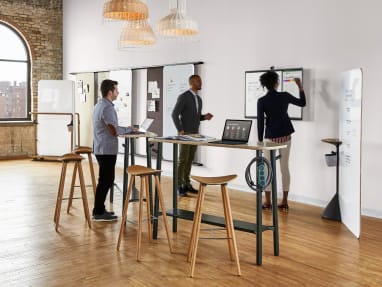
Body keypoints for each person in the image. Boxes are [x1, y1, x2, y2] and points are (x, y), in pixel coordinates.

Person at [257, 70, 306, 211]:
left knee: (267, 169)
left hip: (270, 139)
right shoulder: (284, 96)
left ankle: (267, 202)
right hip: (285, 137)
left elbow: (260, 122)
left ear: (265, 85)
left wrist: (260, 141)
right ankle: (284, 202)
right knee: (284, 168)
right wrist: (300, 87)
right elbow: (302, 103)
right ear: (276, 83)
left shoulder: (262, 101)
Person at [92, 79, 136, 221]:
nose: (118, 93)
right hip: (107, 149)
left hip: (100, 147)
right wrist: (130, 129)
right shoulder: (108, 108)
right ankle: (98, 212)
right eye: (116, 90)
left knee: (105, 179)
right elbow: (113, 130)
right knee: (106, 180)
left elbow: (110, 127)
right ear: (110, 92)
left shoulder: (99, 105)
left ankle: (99, 210)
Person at [172, 75, 213, 196]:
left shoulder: (199, 99)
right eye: (198, 81)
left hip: (195, 134)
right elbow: (174, 114)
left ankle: (187, 183)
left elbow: (196, 117)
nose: (201, 82)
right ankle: (179, 185)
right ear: (191, 82)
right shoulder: (184, 96)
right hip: (185, 133)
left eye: (200, 80)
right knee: (182, 159)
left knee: (190, 159)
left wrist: (204, 117)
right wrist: (180, 130)